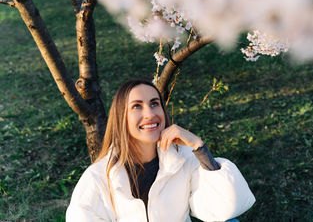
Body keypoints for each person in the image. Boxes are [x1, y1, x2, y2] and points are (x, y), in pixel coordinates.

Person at [66, 79, 255, 222]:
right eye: (137, 106)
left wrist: (199, 147)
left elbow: (224, 207)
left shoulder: (182, 158)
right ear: (121, 117)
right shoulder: (99, 176)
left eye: (155, 104)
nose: (150, 114)